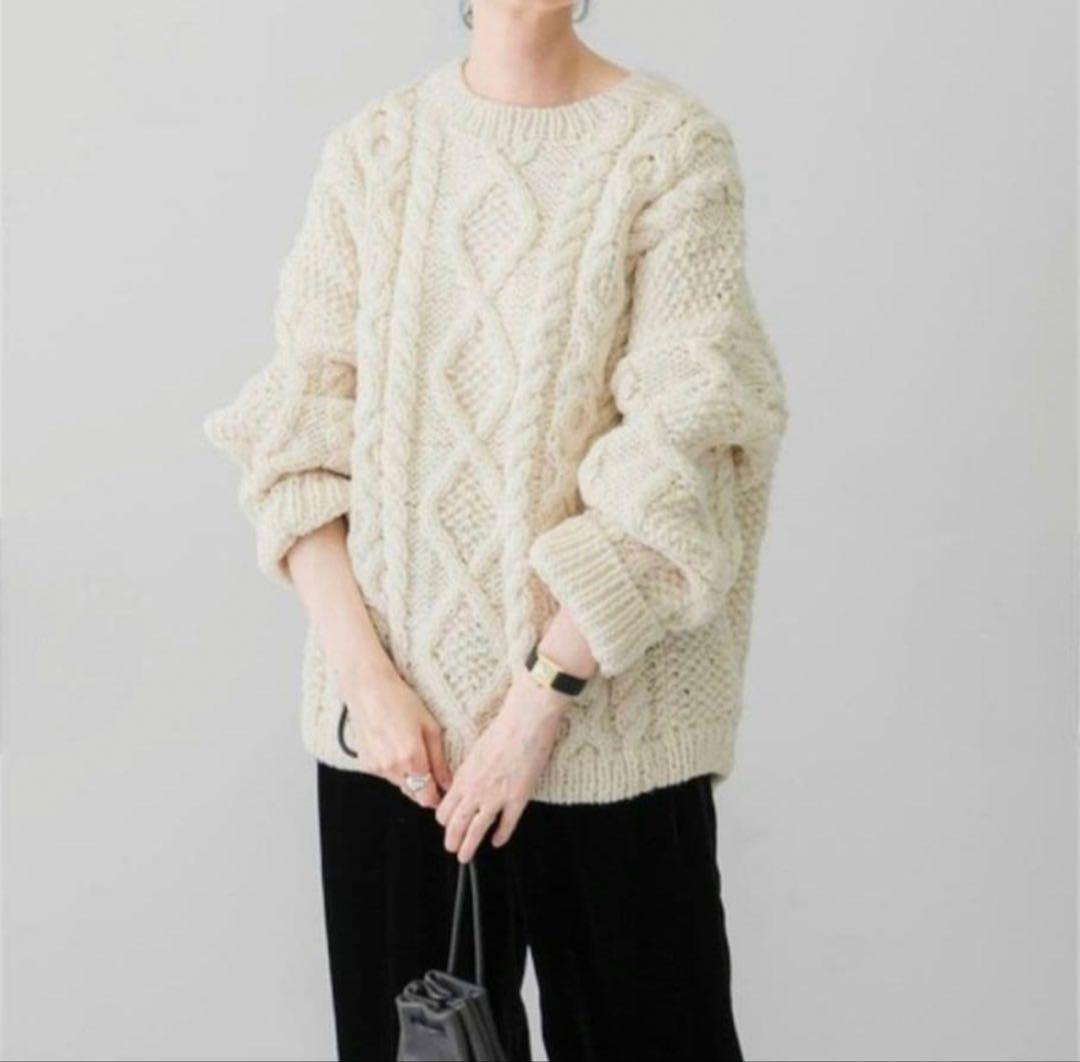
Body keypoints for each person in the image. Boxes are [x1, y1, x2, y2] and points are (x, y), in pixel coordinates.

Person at [203, 1, 788, 1058]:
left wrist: (536, 707)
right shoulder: (376, 151)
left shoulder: (669, 148)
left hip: (612, 732)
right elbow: (297, 441)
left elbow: (685, 444)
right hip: (399, 754)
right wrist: (368, 687)